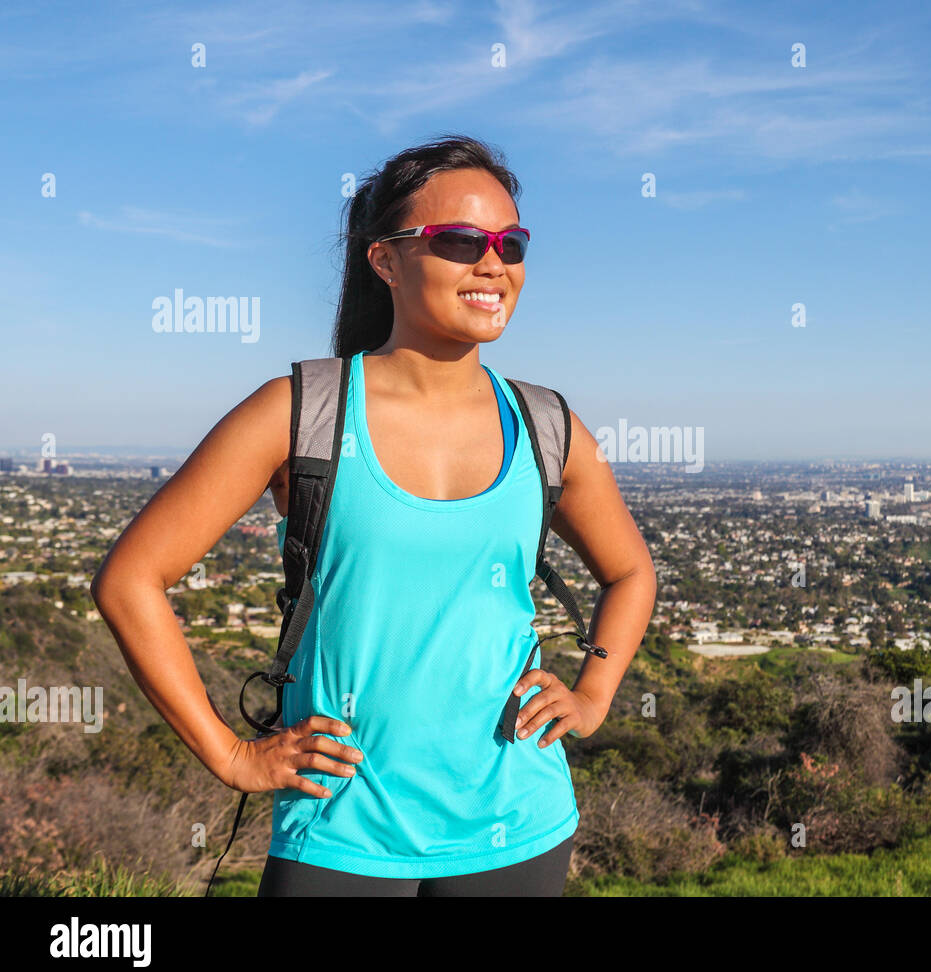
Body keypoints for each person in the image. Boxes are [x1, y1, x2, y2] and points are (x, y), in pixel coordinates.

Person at [91, 134, 657, 896]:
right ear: (384, 259)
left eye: (511, 243)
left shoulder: (547, 425)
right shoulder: (300, 414)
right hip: (339, 832)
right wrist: (231, 755)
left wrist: (592, 694)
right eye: (460, 241)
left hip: (517, 823)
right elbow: (130, 580)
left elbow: (629, 572)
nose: (494, 263)